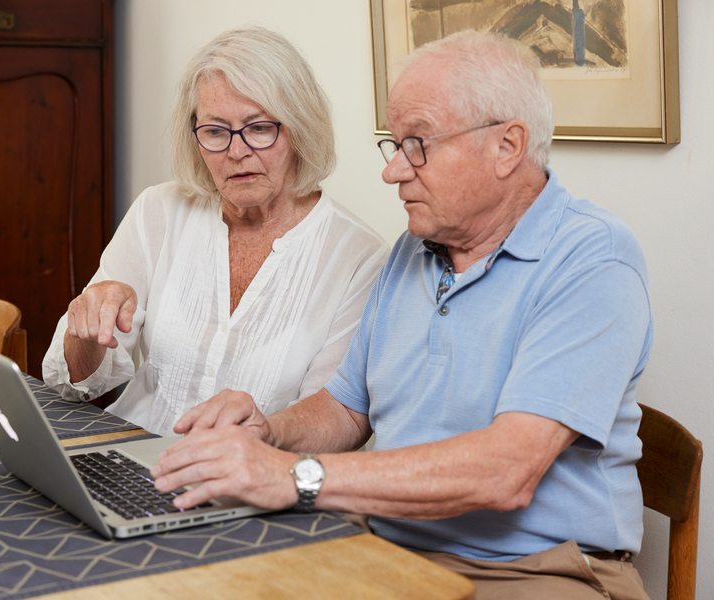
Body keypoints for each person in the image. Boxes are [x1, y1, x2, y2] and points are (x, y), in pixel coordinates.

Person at [150, 29, 653, 600]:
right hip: (384, 547)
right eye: (395, 145)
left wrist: (292, 476)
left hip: (534, 570)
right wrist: (270, 431)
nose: (393, 172)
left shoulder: (592, 258)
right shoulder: (412, 251)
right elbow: (347, 408)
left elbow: (506, 471)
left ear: (507, 146)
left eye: (418, 144)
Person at [42, 27, 388, 437]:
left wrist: (258, 437)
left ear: (300, 127)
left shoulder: (359, 258)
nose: (236, 152)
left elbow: (337, 418)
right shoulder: (158, 210)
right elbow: (76, 384)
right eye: (215, 131)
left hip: (251, 468)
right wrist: (86, 331)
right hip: (131, 452)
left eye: (259, 128)